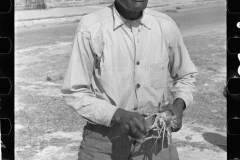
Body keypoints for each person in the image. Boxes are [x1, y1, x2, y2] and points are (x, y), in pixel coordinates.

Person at [61, 0, 198, 159]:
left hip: (154, 136)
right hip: (103, 141)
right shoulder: (91, 27)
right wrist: (118, 115)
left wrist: (179, 104)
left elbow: (186, 75)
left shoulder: (165, 25)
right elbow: (74, 91)